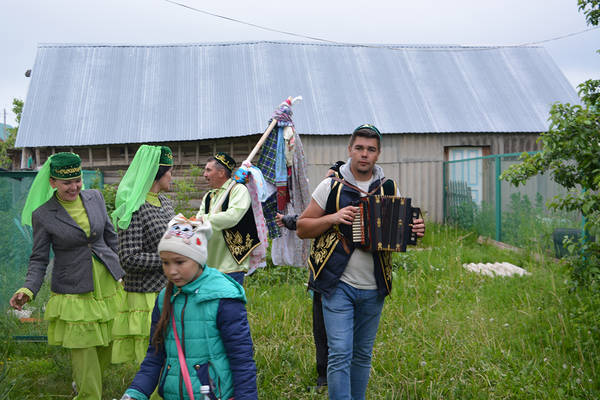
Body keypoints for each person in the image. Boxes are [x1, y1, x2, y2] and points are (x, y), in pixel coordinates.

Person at [296, 125, 426, 400]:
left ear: (378, 154)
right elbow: (302, 227)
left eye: (371, 149)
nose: (364, 154)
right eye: (359, 148)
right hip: (337, 283)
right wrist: (333, 218)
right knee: (340, 352)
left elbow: (398, 232)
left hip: (374, 285)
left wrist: (413, 230)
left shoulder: (389, 187)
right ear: (349, 150)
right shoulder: (331, 186)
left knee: (362, 355)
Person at [9, 152, 125, 400]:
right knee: (84, 349)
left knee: (108, 344)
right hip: (74, 290)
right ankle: (87, 394)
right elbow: (39, 259)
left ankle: (83, 383)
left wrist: (119, 270)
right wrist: (28, 289)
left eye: (77, 180)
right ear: (52, 182)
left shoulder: (95, 198)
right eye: (66, 183)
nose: (74, 187)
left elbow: (109, 237)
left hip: (105, 284)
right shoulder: (43, 214)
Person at [120, 214, 258, 400]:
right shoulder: (164, 299)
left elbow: (242, 360)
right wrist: (134, 394)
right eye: (165, 263)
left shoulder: (224, 297)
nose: (171, 271)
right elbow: (154, 358)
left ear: (198, 259)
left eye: (179, 262)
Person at [274, 160, 345, 392]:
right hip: (321, 271)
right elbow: (306, 222)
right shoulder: (329, 196)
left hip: (335, 273)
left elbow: (307, 222)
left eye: (331, 177)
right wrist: (287, 220)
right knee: (321, 329)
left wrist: (287, 220)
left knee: (327, 332)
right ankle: (324, 377)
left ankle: (328, 377)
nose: (327, 181)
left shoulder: (342, 203)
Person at [111, 145, 175, 367]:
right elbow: (128, 257)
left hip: (168, 289)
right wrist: (169, 261)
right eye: (169, 171)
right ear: (158, 174)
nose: (171, 177)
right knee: (151, 356)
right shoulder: (134, 206)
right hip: (145, 295)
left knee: (171, 354)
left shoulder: (166, 203)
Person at [196, 152, 260, 285]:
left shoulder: (238, 190)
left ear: (221, 173)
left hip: (231, 265)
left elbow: (233, 217)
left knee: (229, 304)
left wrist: (205, 219)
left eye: (208, 170)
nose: (204, 175)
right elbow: (198, 220)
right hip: (209, 265)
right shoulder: (209, 196)